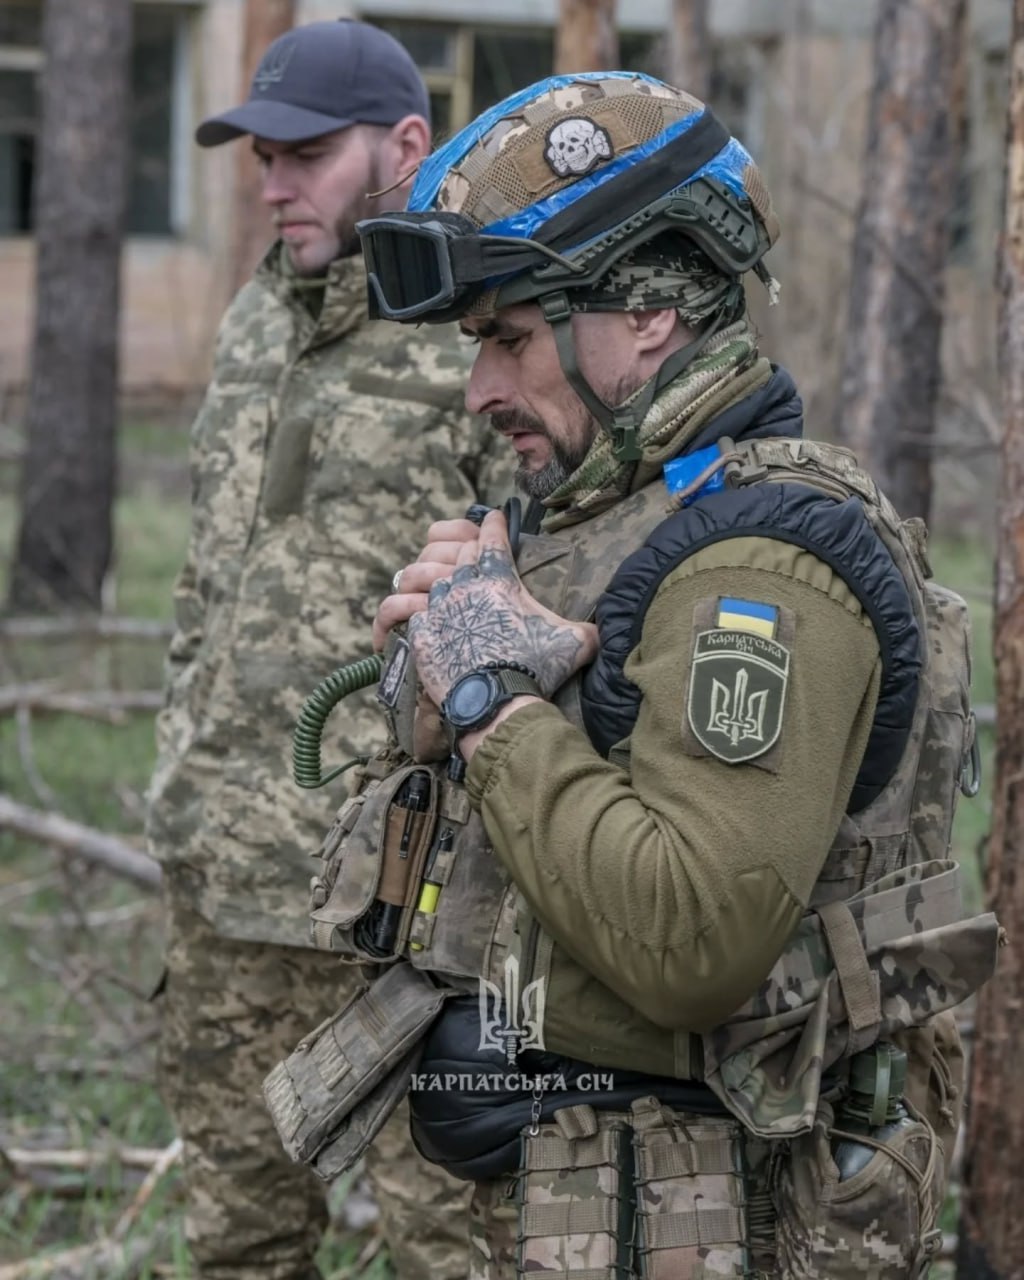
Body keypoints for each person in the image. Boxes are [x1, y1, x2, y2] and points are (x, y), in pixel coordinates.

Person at [268, 72, 1000, 1278]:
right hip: (595, 1202)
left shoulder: (761, 565)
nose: (480, 390)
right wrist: (436, 688)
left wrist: (490, 697)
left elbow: (693, 938)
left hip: (716, 1222)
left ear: (649, 313)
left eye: (508, 339)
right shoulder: (614, 519)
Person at [146, 20, 513, 1280]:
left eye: (306, 154)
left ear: (405, 145)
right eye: (263, 158)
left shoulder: (481, 333)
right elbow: (207, 582)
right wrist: (177, 779)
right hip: (226, 886)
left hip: (404, 903)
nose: (274, 184)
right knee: (239, 1241)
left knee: (454, 1245)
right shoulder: (258, 317)